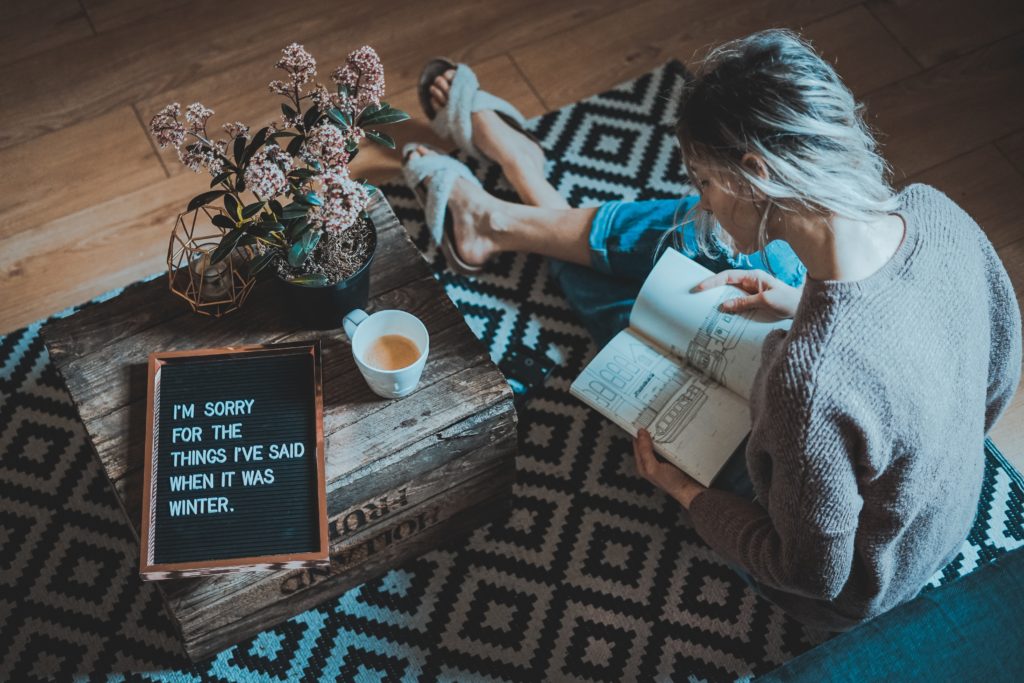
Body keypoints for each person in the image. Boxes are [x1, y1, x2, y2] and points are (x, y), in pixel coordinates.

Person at [402, 29, 1022, 631]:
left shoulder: (812, 383)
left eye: (704, 179)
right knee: (700, 241)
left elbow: (811, 574)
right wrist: (799, 300)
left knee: (639, 317)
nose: (702, 195)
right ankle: (509, 204)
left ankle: (514, 196)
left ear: (757, 172)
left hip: (858, 584)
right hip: (948, 512)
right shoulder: (935, 213)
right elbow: (996, 382)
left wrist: (685, 491)